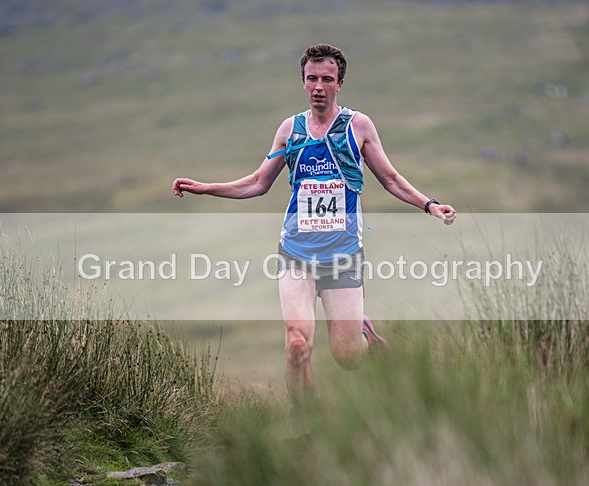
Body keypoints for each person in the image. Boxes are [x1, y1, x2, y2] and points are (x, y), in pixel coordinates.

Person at [172, 43, 456, 404]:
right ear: (303, 83)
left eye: (327, 79)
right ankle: (306, 427)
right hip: (296, 253)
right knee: (296, 344)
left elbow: (391, 179)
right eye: (311, 79)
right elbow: (259, 183)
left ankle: (365, 335)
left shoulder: (358, 126)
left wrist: (430, 205)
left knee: (348, 357)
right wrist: (206, 188)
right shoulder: (290, 130)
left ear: (340, 84)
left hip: (342, 256)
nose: (318, 86)